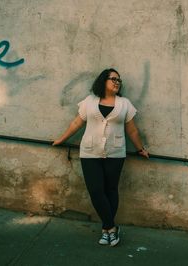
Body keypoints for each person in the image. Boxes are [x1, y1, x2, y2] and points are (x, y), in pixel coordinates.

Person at [53, 68, 149, 246]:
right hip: (90, 152)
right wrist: (61, 139)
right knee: (96, 191)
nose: (117, 82)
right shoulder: (89, 101)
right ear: (103, 81)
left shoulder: (125, 103)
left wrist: (140, 148)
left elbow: (132, 130)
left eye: (119, 80)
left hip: (115, 152)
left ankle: (106, 231)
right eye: (113, 79)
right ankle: (111, 227)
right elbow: (77, 123)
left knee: (111, 190)